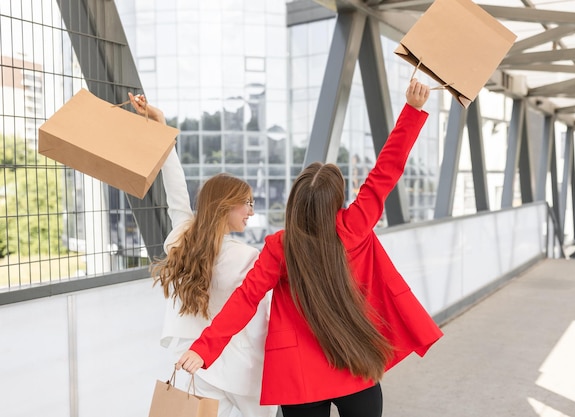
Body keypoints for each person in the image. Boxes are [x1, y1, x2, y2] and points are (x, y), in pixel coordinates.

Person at [176, 78, 443, 417]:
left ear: (296, 203)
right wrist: (412, 110)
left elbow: (245, 299)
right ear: (337, 202)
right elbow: (386, 170)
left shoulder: (280, 246)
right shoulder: (355, 225)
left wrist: (204, 348)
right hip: (354, 359)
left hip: (299, 374)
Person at [128, 93, 277, 417]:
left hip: (192, 360)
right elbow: (262, 313)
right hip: (239, 365)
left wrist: (162, 127)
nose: (251, 211)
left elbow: (176, 192)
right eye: (246, 203)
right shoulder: (248, 256)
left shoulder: (184, 237)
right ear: (225, 206)